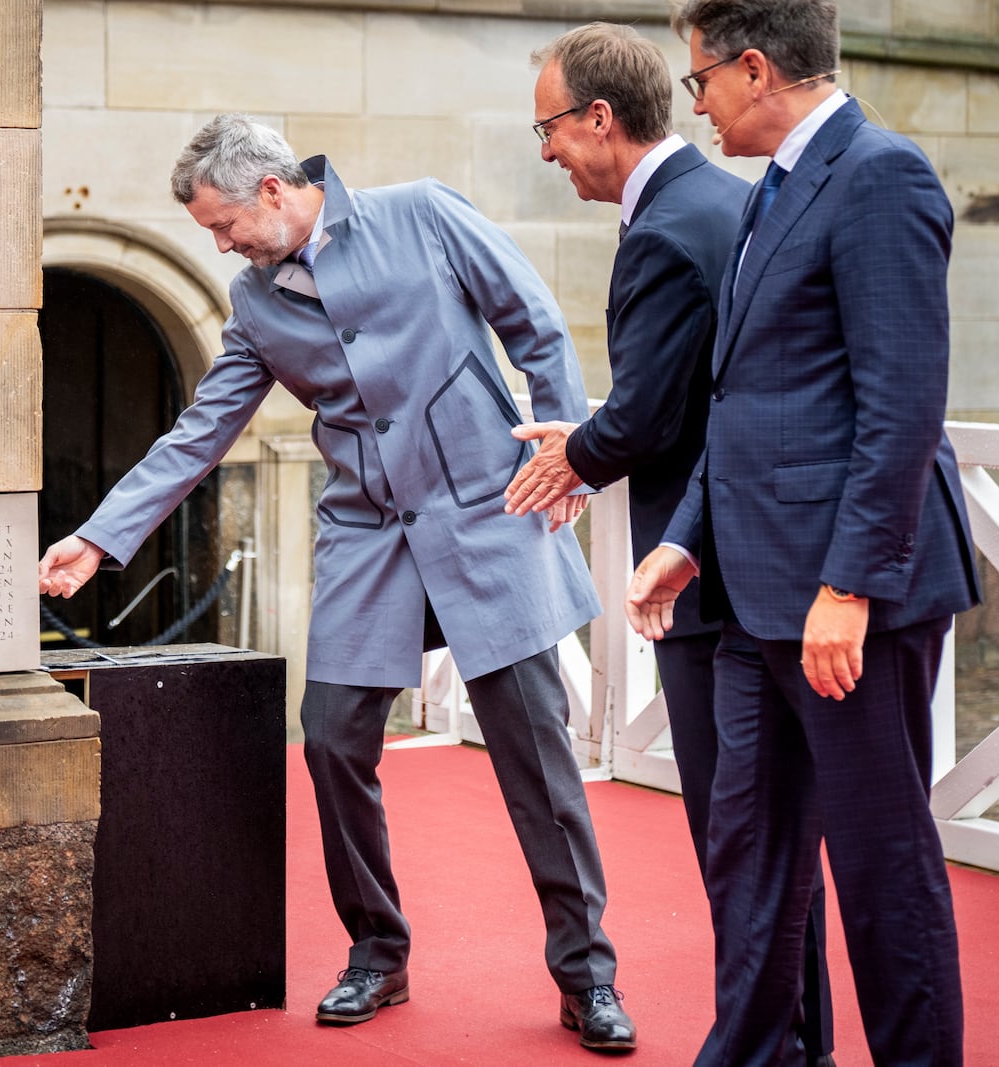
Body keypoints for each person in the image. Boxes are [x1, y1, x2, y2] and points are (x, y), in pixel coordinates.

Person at [38, 114, 637, 1051]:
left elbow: (537, 325)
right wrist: (99, 537)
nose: (223, 243)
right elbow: (200, 431)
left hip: (492, 511)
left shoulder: (426, 214)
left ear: (273, 190)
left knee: (536, 753)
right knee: (329, 739)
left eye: (225, 223)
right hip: (367, 534)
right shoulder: (253, 300)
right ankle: (378, 950)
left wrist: (568, 453)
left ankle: (587, 973)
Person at [623, 2, 982, 1064]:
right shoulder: (770, 188)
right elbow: (744, 402)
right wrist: (684, 536)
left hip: (847, 604)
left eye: (697, 83)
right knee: (752, 857)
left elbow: (902, 402)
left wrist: (850, 586)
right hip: (748, 595)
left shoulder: (881, 175)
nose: (694, 106)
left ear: (751, 68)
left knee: (880, 868)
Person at [504, 21, 834, 1065]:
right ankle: (795, 1043)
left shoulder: (666, 227)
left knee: (739, 847)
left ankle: (768, 1046)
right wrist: (593, 441)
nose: (547, 153)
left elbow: (650, 413)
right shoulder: (734, 201)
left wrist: (579, 452)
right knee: (775, 849)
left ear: (597, 118)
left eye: (548, 130)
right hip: (765, 563)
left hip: (709, 579)